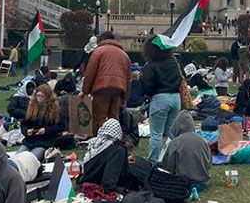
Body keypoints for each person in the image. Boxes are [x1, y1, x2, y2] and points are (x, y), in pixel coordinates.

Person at [141, 35, 182, 164]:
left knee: (156, 134)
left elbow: (147, 86)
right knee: (172, 131)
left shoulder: (151, 65)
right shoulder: (174, 62)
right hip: (176, 98)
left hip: (160, 99)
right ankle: (178, 157)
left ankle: (153, 161)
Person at [82, 31, 132, 133]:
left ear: (101, 40)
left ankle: (100, 142)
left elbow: (90, 72)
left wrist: (85, 90)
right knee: (114, 118)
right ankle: (114, 141)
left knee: (99, 118)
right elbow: (128, 77)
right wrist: (125, 96)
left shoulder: (98, 51)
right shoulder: (124, 54)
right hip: (118, 90)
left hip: (102, 88)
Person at [160, 111, 211, 189]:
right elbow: (209, 161)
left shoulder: (175, 143)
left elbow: (168, 166)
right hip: (203, 179)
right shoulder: (202, 140)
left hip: (183, 181)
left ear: (176, 125)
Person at [78, 118, 129, 195]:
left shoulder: (95, 142)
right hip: (98, 184)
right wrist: (109, 190)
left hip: (86, 178)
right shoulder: (117, 150)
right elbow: (110, 176)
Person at [17, 84, 63, 162]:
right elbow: (24, 124)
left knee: (32, 159)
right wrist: (27, 131)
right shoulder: (32, 106)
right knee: (18, 158)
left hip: (44, 142)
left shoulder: (55, 109)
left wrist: (46, 130)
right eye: (38, 96)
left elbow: (60, 126)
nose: (39, 99)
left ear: (47, 97)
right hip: (29, 140)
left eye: (42, 96)